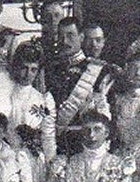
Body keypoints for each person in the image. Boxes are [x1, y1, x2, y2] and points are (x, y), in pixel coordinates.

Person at [0, 40, 57, 163]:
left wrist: (51, 163)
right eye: (24, 68)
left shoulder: (43, 99)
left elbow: (48, 136)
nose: (28, 74)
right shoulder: (2, 92)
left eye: (33, 70)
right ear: (16, 66)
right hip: (3, 156)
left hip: (33, 158)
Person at [44, 17, 113, 155]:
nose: (64, 41)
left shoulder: (100, 70)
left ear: (81, 37)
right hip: (54, 143)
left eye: (70, 35)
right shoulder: (50, 69)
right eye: (61, 36)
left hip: (86, 143)